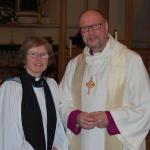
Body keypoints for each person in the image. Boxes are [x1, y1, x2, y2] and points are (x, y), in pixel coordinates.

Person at [59, 9, 150, 150]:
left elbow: (145, 106)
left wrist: (111, 118)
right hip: (83, 142)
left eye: (96, 26)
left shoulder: (131, 61)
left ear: (106, 26)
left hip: (118, 141)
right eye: (85, 29)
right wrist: (75, 117)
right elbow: (61, 101)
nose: (91, 32)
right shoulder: (74, 65)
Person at [0, 36, 68, 150]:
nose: (39, 59)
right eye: (33, 54)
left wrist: (57, 146)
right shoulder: (11, 88)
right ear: (24, 59)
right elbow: (9, 131)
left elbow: (57, 125)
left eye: (43, 55)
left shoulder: (52, 85)